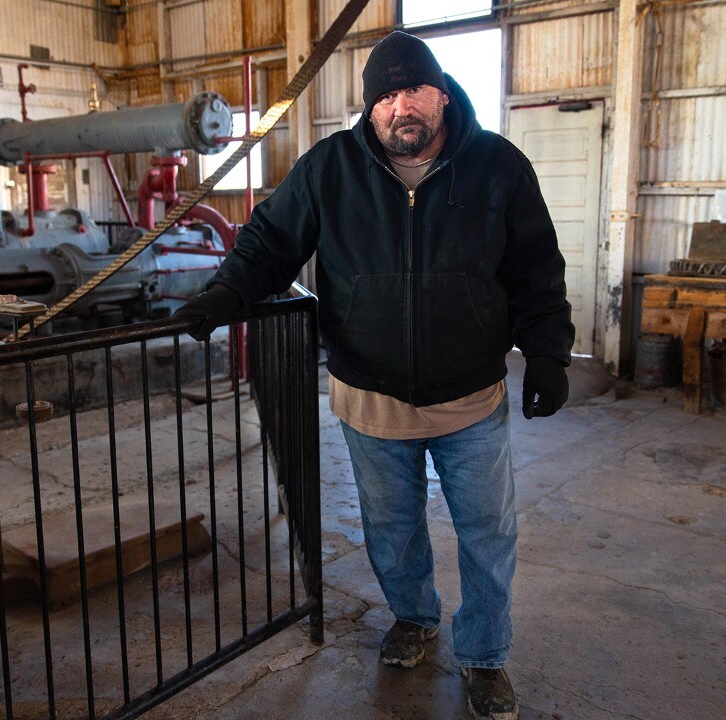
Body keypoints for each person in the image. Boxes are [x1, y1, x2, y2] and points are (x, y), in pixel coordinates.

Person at [176, 30, 573, 720]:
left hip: (469, 399)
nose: (401, 107)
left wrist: (549, 354)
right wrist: (225, 293)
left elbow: (536, 269)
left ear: (441, 95)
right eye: (386, 95)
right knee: (392, 529)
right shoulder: (330, 167)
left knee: (486, 534)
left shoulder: (498, 167)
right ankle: (415, 618)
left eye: (414, 89)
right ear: (370, 108)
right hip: (370, 400)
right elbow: (270, 241)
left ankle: (484, 655)